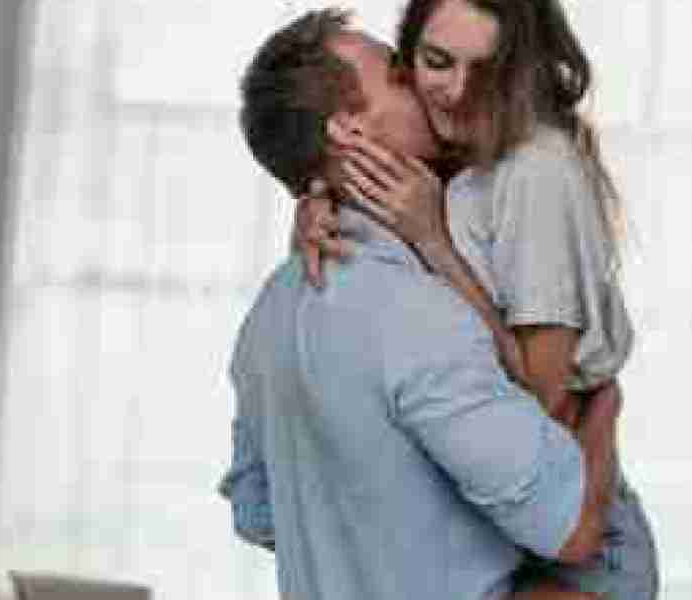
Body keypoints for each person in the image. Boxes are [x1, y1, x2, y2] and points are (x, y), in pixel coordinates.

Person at [220, 9, 622, 600]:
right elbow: (576, 528)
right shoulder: (422, 317)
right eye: (397, 74)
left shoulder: (269, 314)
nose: (418, 78)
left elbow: (258, 514)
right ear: (349, 130)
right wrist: (607, 408)